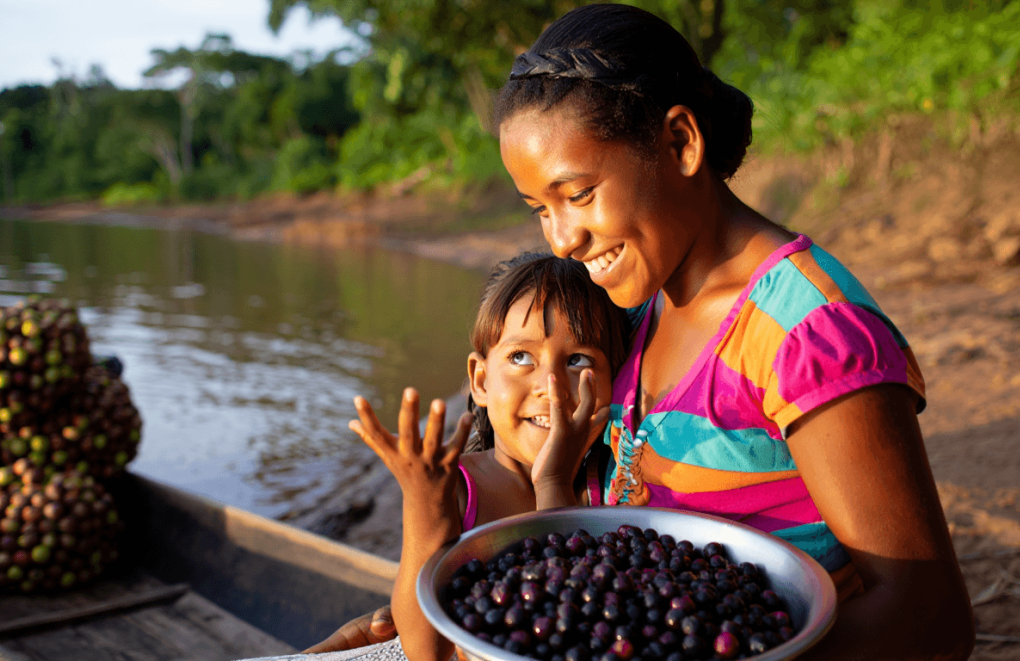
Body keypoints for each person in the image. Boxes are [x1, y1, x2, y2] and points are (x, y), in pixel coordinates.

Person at [308, 4, 975, 659]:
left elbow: (929, 616)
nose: (562, 240)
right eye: (541, 209)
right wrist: (450, 606)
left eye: (578, 195)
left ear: (680, 143)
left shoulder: (806, 335)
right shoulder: (635, 303)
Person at [335, 252, 630, 661]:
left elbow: (571, 620)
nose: (552, 387)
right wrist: (424, 503)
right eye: (521, 357)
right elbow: (426, 652)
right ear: (480, 380)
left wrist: (554, 482)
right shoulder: (455, 487)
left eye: (578, 360)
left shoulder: (613, 483)